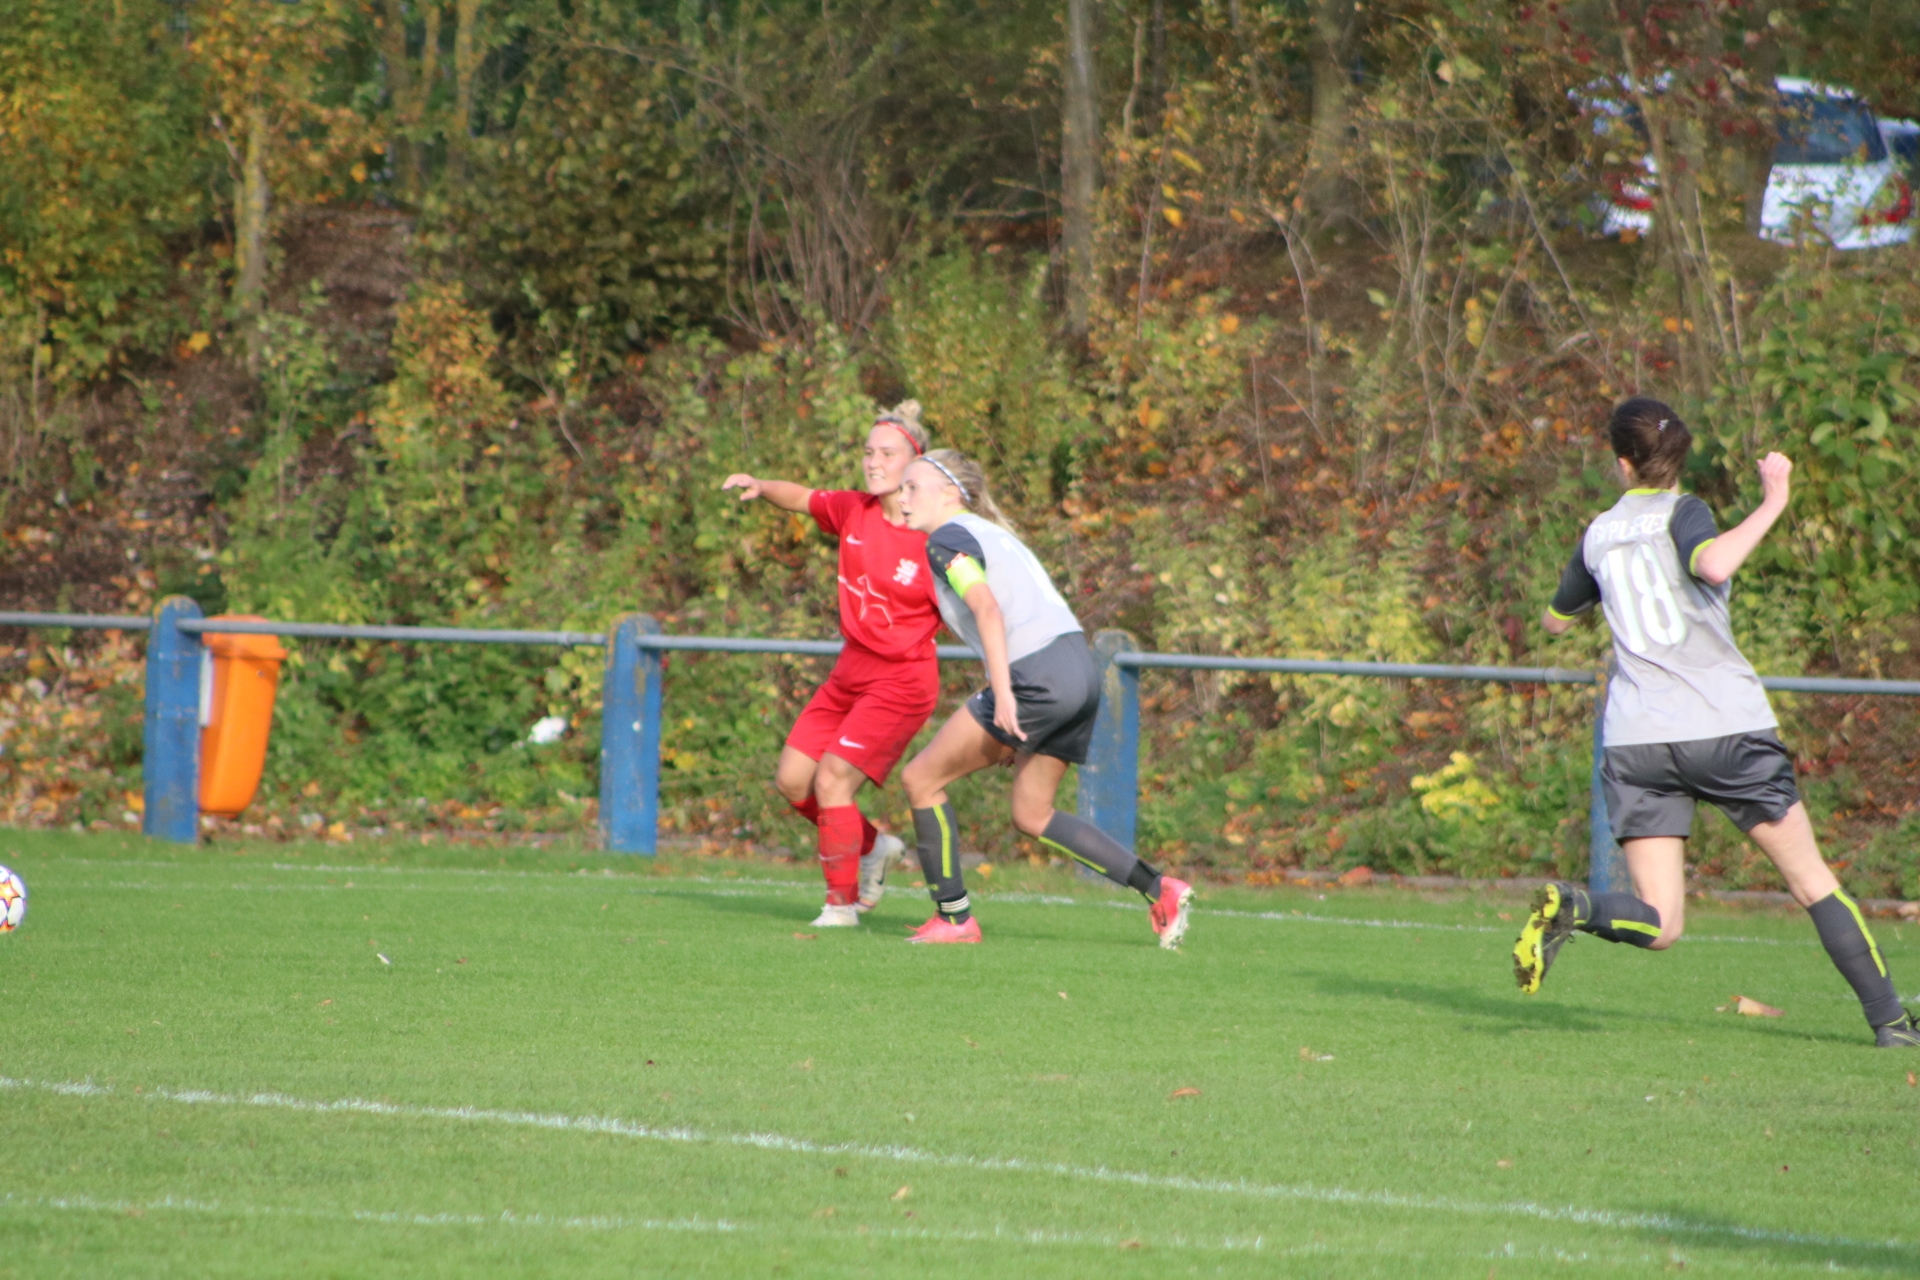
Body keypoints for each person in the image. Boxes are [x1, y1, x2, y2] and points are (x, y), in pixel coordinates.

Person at [1514, 396, 1920, 1048]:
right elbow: (1713, 562)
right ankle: (1892, 1024)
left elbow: (1554, 620)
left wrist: (1595, 596)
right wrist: (1774, 499)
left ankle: (1579, 906)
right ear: (1680, 457)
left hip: (1637, 742)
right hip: (1724, 730)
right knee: (1812, 881)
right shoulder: (1688, 511)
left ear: (1622, 463)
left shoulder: (1597, 534)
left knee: (1661, 923)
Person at [894, 449, 1193, 947]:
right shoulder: (993, 535)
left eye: (912, 487)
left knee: (920, 778)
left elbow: (986, 609)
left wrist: (1006, 694)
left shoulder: (947, 539)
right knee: (1032, 813)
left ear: (951, 492)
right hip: (1078, 667)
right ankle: (1159, 887)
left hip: (1037, 674)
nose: (901, 499)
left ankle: (953, 918)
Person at [721, 402, 941, 927]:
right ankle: (874, 846)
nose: (873, 461)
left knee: (833, 781)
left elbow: (981, 609)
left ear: (917, 462)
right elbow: (800, 496)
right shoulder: (854, 510)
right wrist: (761, 484)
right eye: (868, 452)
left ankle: (839, 907)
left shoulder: (938, 538)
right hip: (851, 671)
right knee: (794, 781)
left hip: (902, 679)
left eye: (886, 452)